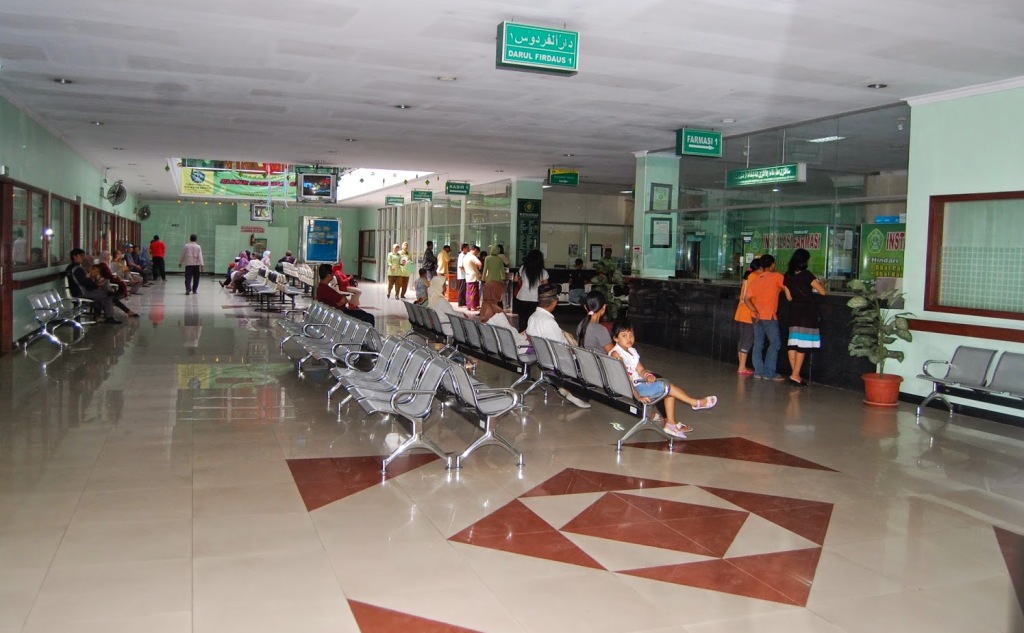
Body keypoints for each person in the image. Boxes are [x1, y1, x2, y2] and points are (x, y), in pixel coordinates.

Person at [610, 321, 717, 439]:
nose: (629, 338)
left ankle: (671, 424)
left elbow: (640, 369)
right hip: (634, 389)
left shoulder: (631, 351)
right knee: (667, 387)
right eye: (624, 335)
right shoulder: (616, 354)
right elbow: (624, 378)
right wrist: (637, 396)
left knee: (668, 389)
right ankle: (695, 403)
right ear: (615, 338)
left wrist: (647, 375)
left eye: (631, 335)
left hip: (639, 384)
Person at [525, 283, 591, 409]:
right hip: (554, 362)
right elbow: (561, 348)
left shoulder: (533, 317)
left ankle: (564, 386)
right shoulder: (549, 322)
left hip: (542, 358)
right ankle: (576, 394)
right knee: (586, 360)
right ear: (554, 302)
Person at [743, 254, 793, 381]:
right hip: (769, 316)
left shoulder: (756, 279)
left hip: (756, 316)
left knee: (758, 343)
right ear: (772, 265)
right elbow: (787, 287)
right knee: (775, 343)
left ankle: (758, 371)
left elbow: (746, 299)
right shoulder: (776, 276)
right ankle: (769, 373)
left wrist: (754, 310)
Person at [784, 248, 827, 387]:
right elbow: (822, 292)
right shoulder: (807, 275)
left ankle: (795, 374)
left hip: (794, 312)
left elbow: (789, 297)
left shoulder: (787, 276)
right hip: (807, 313)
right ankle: (795, 375)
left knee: (793, 344)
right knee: (802, 345)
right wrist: (822, 283)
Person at [66, 248, 119, 323]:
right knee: (107, 295)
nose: (83, 258)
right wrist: (96, 284)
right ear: (75, 256)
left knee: (102, 294)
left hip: (78, 291)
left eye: (83, 256)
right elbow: (84, 282)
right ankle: (109, 317)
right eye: (81, 256)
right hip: (81, 292)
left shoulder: (71, 267)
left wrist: (95, 284)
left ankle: (99, 316)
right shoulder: (76, 269)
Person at [733, 257, 761, 376]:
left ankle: (741, 365)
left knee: (742, 339)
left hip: (741, 311)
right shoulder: (756, 276)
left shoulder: (748, 275)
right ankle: (742, 367)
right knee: (748, 339)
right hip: (749, 313)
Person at [514, 249, 549, 327]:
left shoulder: (523, 268)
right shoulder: (543, 272)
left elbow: (515, 279)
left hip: (522, 296)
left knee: (522, 320)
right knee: (533, 321)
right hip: (535, 298)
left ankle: (522, 333)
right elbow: (545, 286)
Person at [463, 245, 482, 311]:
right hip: (473, 276)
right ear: (475, 250)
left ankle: (469, 306)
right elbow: (479, 263)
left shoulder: (465, 256)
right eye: (477, 252)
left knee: (468, 292)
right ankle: (474, 306)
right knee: (474, 292)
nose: (477, 254)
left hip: (468, 276)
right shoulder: (472, 256)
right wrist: (479, 269)